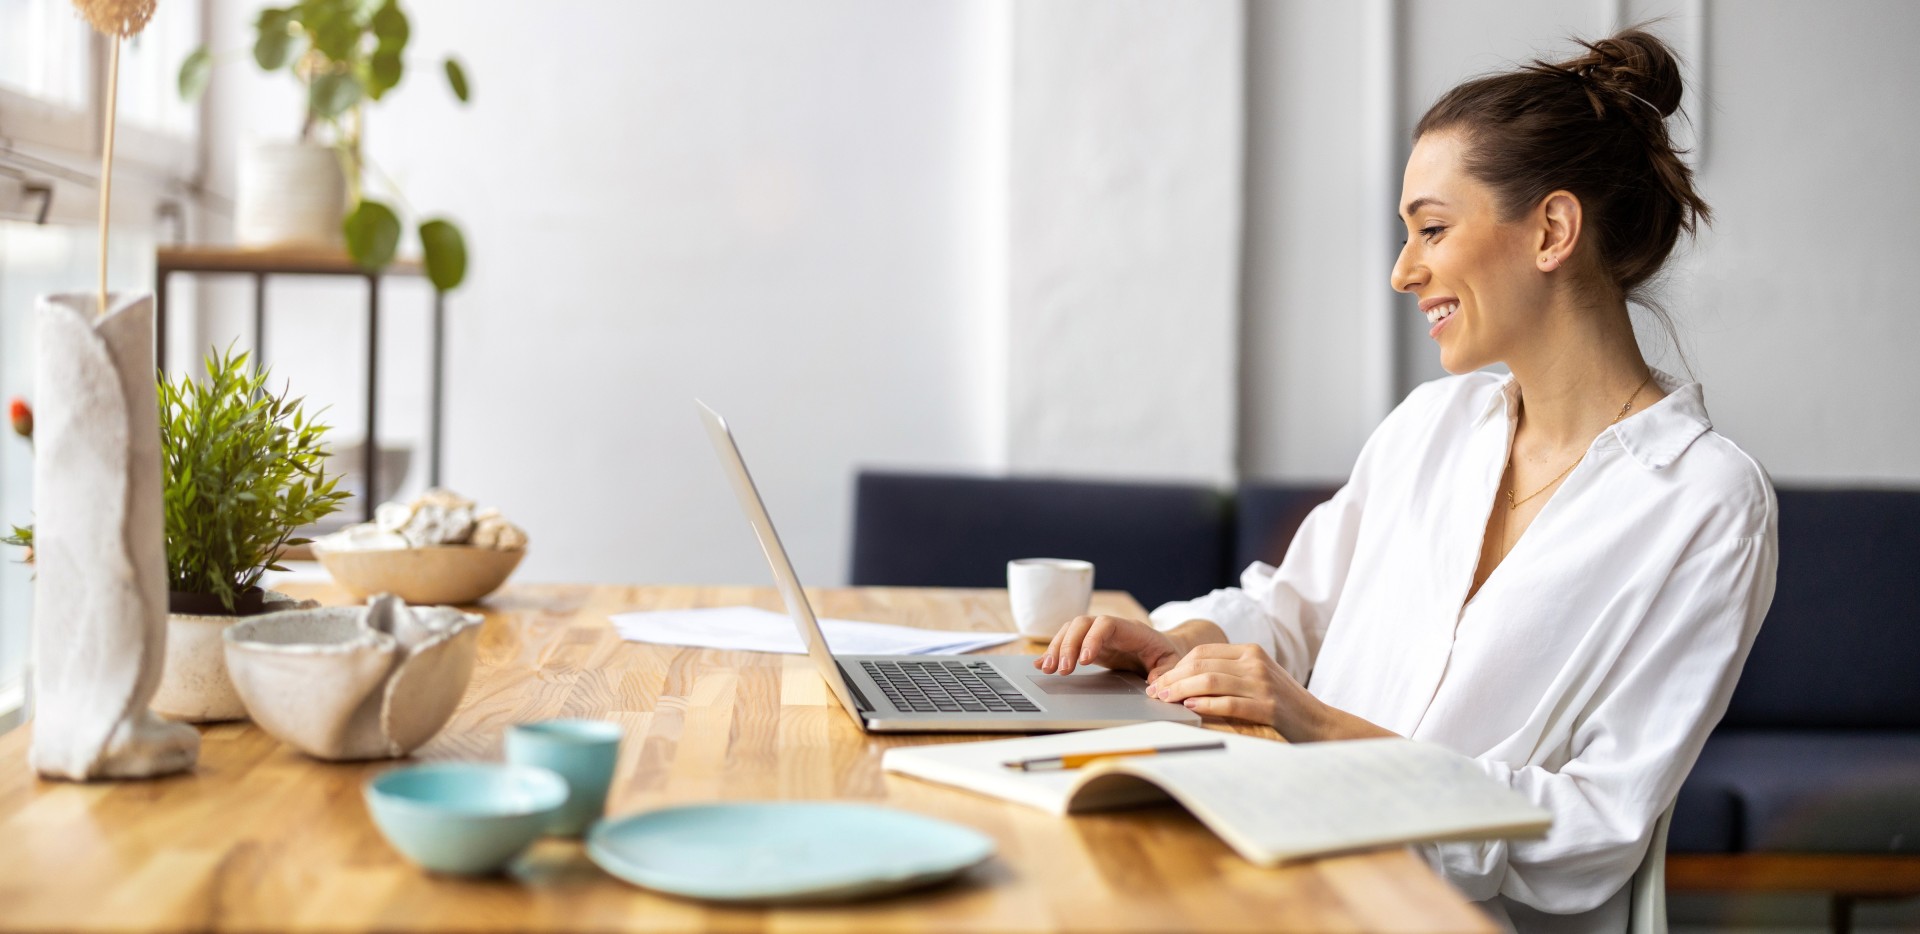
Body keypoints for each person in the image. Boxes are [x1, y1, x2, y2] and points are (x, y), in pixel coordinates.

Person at [1036, 27, 1777, 934]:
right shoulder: (1434, 427)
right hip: (1282, 867)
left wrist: (1317, 728)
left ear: (1551, 230)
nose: (1402, 271)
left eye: (1431, 228)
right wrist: (1178, 642)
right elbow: (1291, 611)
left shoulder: (1704, 503)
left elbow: (1593, 831)